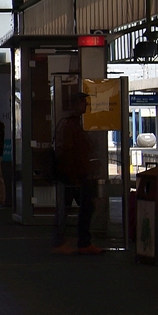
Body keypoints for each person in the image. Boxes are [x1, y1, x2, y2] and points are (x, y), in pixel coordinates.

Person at [53, 91, 101, 255]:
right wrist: (76, 176)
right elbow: (69, 151)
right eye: (82, 102)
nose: (86, 105)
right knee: (85, 206)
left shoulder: (68, 124)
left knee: (70, 207)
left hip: (73, 174)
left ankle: (68, 240)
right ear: (73, 105)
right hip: (75, 175)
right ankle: (80, 241)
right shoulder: (70, 126)